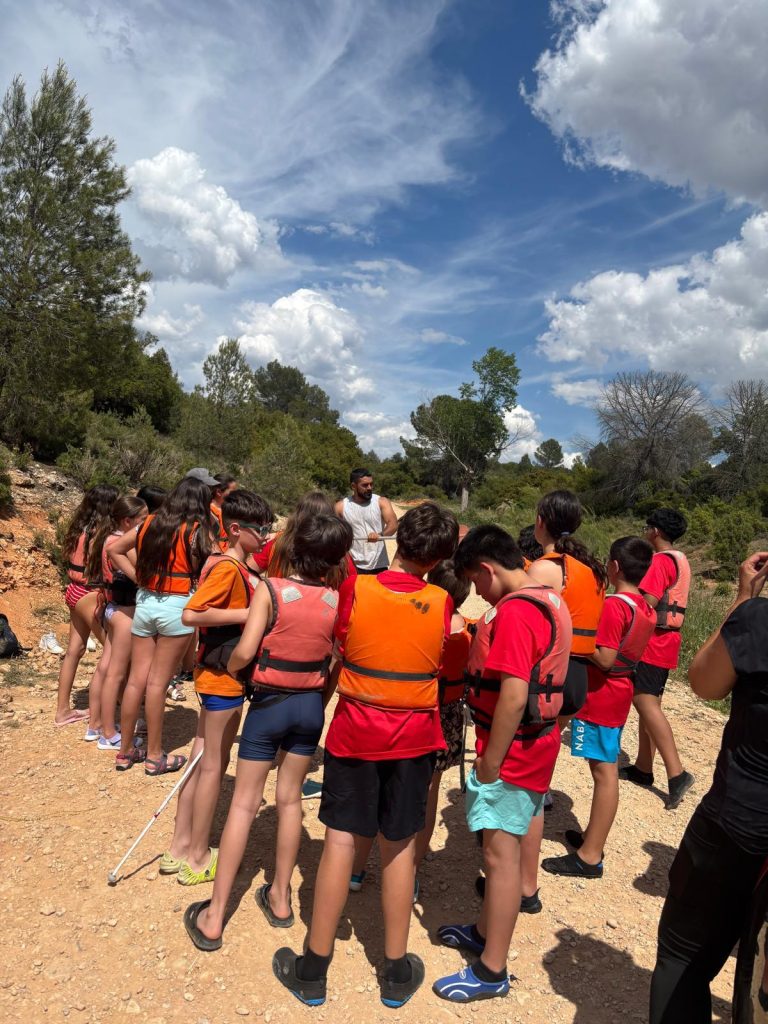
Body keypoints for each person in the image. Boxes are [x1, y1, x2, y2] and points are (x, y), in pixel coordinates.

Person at [270, 502, 458, 1008]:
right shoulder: (442, 601)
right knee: (398, 845)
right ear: (439, 558)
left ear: (399, 539)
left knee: (340, 839)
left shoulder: (359, 588)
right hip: (414, 738)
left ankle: (313, 967)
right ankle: (395, 971)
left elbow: (341, 643)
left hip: (357, 733)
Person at [182, 512, 352, 947]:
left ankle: (215, 916)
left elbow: (244, 651)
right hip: (309, 708)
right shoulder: (334, 599)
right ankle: (280, 897)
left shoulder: (270, 590)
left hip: (269, 705)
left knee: (243, 803)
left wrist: (236, 669)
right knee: (290, 800)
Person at [433, 525, 571, 1003]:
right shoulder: (550, 598)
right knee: (503, 849)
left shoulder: (516, 612)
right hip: (536, 745)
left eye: (475, 581)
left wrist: (490, 763)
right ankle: (482, 931)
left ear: (487, 569)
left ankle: (492, 970)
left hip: (512, 753)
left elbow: (513, 695)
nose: (476, 591)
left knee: (499, 857)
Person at [649, 550, 768, 1024]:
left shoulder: (759, 621)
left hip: (738, 823)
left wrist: (743, 599)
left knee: (683, 956)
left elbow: (704, 682)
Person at [162, 489, 272, 883]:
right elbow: (192, 614)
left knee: (198, 758)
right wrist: (251, 613)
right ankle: (197, 857)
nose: (265, 536)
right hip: (222, 679)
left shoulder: (228, 564)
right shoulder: (228, 568)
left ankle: (178, 846)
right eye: (260, 529)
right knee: (213, 766)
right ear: (237, 529)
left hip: (212, 677)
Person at [541, 536, 656, 879]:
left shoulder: (616, 605)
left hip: (604, 693)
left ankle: (590, 857)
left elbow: (605, 658)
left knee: (604, 773)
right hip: (620, 689)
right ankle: (592, 839)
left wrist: (576, 632)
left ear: (615, 566)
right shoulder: (644, 606)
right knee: (604, 769)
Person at [109, 476, 216, 775]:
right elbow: (213, 565)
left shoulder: (148, 523)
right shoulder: (197, 530)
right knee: (158, 683)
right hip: (177, 606)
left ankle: (125, 752)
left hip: (146, 602)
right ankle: (155, 756)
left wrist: (139, 578)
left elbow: (114, 549)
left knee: (136, 681)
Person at [620, 508, 695, 809]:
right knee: (650, 704)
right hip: (668, 641)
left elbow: (647, 602)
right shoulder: (680, 558)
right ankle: (643, 767)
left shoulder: (662, 561)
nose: (645, 531)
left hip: (654, 641)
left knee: (645, 703)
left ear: (655, 531)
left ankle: (677, 774)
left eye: (647, 527)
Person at [53, 484, 118, 726]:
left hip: (73, 590)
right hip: (90, 593)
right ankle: (113, 713)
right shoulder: (102, 534)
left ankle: (63, 711)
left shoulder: (79, 528)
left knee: (75, 650)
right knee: (115, 653)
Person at [87, 495, 148, 748]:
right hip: (124, 613)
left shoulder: (108, 537)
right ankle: (109, 734)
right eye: (142, 520)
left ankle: (96, 725)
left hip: (114, 609)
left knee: (106, 668)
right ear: (127, 521)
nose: (145, 525)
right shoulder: (122, 543)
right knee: (116, 674)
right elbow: (142, 571)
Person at [336, 468, 398, 575]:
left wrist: (380, 535)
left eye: (371, 484)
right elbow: (334, 533)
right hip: (352, 565)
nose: (369, 488)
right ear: (353, 486)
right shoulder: (340, 507)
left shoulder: (381, 502)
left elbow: (393, 524)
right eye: (365, 485)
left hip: (378, 564)